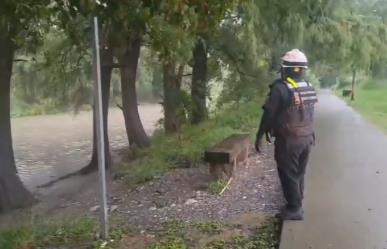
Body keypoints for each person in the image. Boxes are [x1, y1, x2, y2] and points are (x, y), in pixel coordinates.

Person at [255, 49, 318, 220]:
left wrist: (260, 134)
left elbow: (269, 113)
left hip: (289, 140)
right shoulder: (308, 87)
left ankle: (294, 208)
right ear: (303, 69)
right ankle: (297, 202)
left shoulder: (280, 89)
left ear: (286, 69)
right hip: (307, 138)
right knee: (298, 172)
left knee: (288, 172)